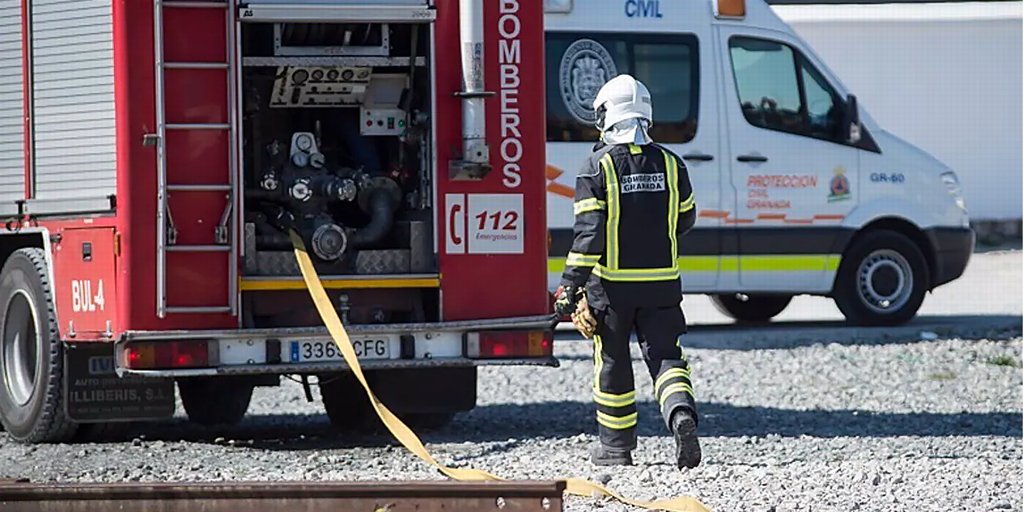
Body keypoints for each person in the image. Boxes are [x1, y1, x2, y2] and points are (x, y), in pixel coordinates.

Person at [553, 74, 700, 469]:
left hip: (613, 290)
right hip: (663, 286)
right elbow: (685, 220)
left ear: (605, 116)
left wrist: (568, 287)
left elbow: (589, 236)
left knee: (613, 362)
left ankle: (616, 448)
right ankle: (680, 413)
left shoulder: (595, 167)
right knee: (666, 357)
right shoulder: (672, 163)